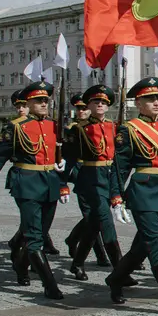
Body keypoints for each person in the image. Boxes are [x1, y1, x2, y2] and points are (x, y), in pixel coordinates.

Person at [101, 77, 158, 316]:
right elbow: (120, 168)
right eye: (150, 99)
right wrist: (116, 198)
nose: (156, 103)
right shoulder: (129, 129)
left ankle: (115, 278)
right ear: (138, 103)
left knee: (143, 247)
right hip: (142, 193)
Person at [0, 81, 69, 298]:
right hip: (27, 183)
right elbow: (0, 157)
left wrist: (63, 183)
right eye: (39, 100)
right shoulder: (16, 127)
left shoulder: (53, 125)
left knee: (42, 231)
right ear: (28, 103)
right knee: (35, 236)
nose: (43, 103)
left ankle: (20, 264)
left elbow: (59, 158)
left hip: (49, 183)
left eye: (46, 100)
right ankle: (50, 285)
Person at [63, 85, 131, 283]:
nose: (100, 104)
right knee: (106, 221)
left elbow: (119, 158)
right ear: (89, 105)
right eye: (95, 101)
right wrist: (62, 183)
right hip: (90, 178)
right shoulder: (80, 129)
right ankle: (120, 270)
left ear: (108, 105)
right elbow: (69, 158)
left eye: (103, 102)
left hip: (109, 177)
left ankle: (77, 263)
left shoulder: (114, 127)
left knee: (94, 225)